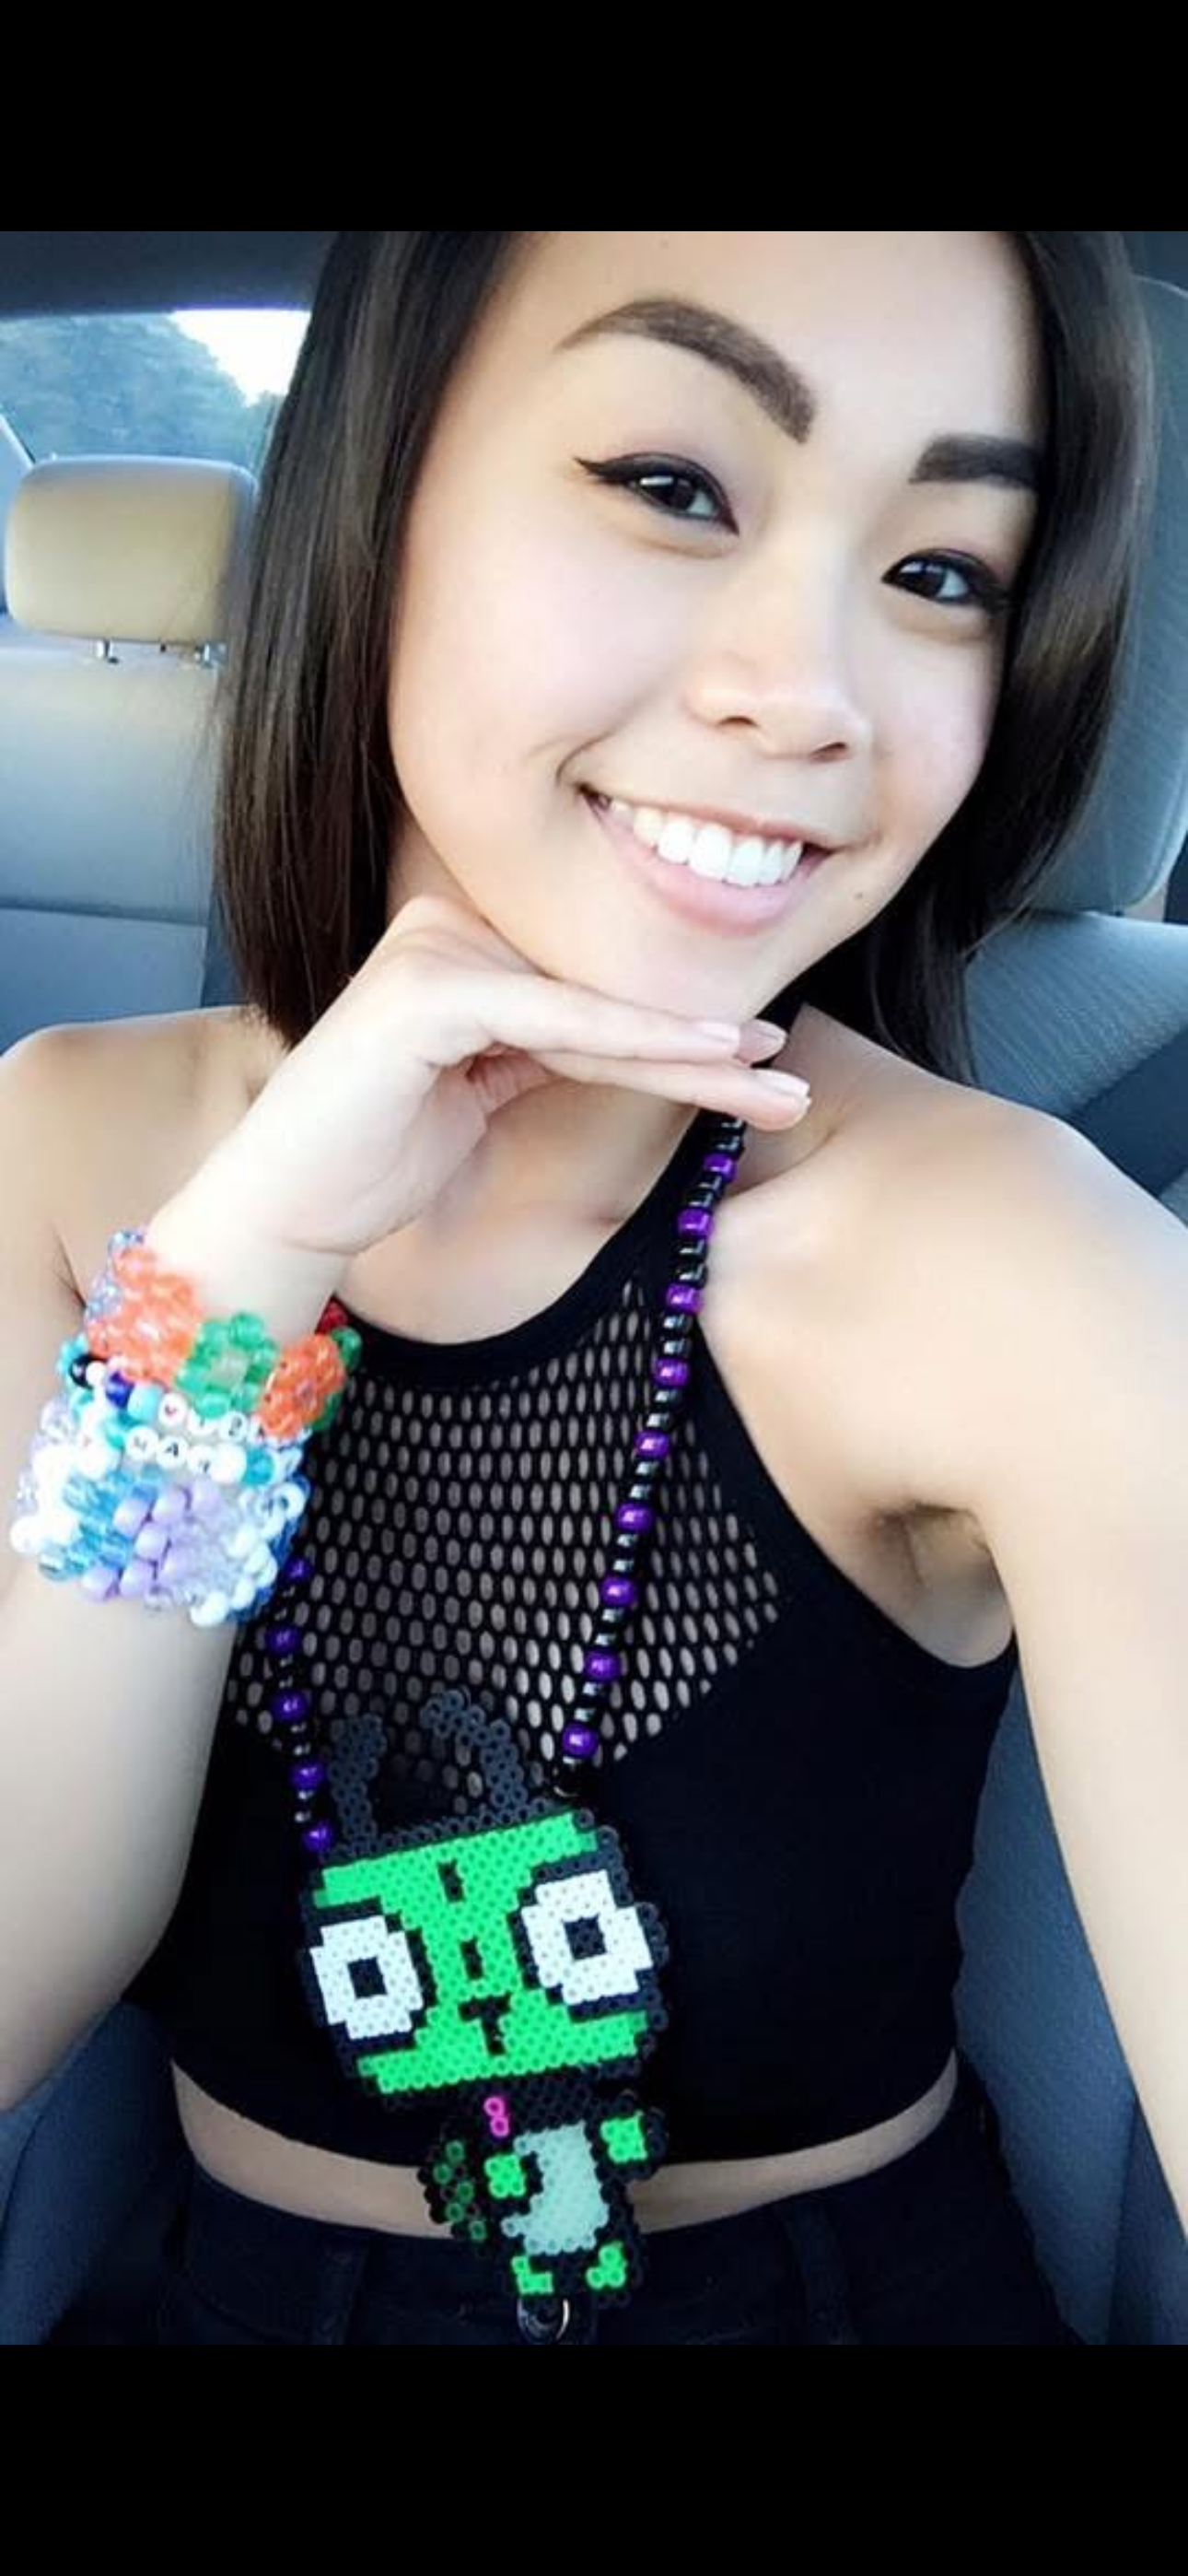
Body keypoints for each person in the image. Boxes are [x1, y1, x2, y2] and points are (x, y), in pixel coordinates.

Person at [4, 232, 1157, 2344]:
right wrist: (239, 1277)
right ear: (378, 491)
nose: (809, 692)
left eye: (941, 572)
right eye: (674, 484)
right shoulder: (69, 1152)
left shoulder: (1021, 1264)